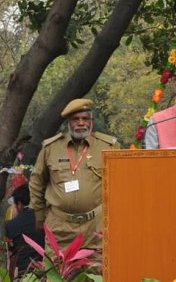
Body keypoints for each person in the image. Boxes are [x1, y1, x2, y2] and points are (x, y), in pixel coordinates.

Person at [29, 98, 119, 251]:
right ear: (68, 123)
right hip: (60, 228)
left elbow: (122, 183)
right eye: (76, 119)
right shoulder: (51, 148)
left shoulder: (108, 146)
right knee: (58, 273)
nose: (81, 123)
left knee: (96, 272)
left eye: (85, 119)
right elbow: (37, 182)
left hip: (96, 226)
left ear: (91, 121)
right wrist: (39, 215)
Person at [5, 183, 45, 277]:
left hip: (23, 274)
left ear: (19, 204)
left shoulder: (11, 225)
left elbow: (10, 254)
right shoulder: (49, 218)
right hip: (48, 271)